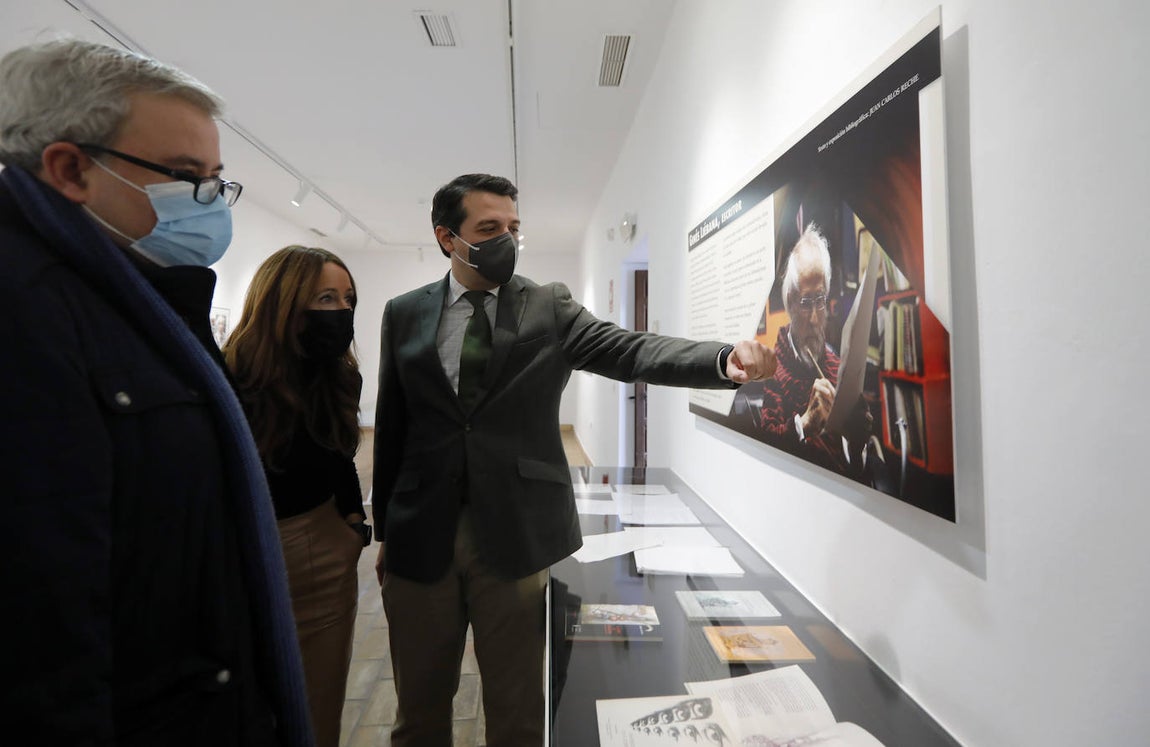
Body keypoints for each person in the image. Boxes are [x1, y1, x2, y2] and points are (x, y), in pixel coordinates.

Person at [372, 173, 778, 745]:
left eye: (513, 228)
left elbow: (630, 348)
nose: (505, 240)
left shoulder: (548, 306)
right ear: (447, 238)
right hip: (421, 529)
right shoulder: (404, 312)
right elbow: (392, 423)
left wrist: (720, 359)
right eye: (488, 229)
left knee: (516, 709)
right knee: (418, 710)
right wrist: (386, 529)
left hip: (515, 531)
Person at [0, 40, 310, 746]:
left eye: (215, 178)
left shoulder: (135, 299)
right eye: (183, 175)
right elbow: (42, 617)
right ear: (70, 167)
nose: (208, 200)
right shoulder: (24, 309)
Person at [224, 245, 368, 747]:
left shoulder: (337, 375)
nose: (342, 312)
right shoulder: (233, 377)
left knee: (315, 707)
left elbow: (339, 453)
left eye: (348, 299)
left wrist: (351, 519)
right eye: (325, 298)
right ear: (281, 302)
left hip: (322, 547)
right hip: (244, 556)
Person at [742, 224, 870, 475]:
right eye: (805, 302)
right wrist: (805, 424)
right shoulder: (772, 366)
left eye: (820, 301)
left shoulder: (835, 363)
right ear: (790, 302)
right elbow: (766, 442)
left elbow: (856, 460)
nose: (814, 319)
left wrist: (856, 439)